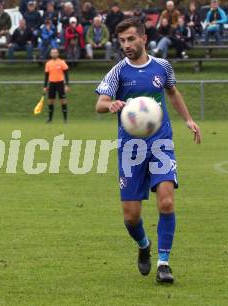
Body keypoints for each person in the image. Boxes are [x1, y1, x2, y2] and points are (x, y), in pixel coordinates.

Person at [95, 18, 201, 284]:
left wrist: (188, 119)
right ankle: (144, 245)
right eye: (122, 41)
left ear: (143, 38)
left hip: (161, 142)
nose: (126, 45)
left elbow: (173, 93)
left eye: (131, 39)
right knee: (131, 216)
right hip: (131, 147)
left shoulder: (162, 66)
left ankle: (164, 263)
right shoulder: (118, 71)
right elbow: (100, 102)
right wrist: (111, 105)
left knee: (166, 201)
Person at [44, 48, 69, 123]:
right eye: (52, 53)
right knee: (50, 101)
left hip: (60, 83)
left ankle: (65, 119)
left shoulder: (62, 62)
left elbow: (66, 74)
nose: (54, 54)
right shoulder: (48, 63)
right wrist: (45, 86)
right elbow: (46, 76)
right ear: (50, 54)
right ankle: (50, 119)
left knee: (63, 101)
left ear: (58, 54)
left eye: (55, 53)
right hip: (52, 84)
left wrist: (66, 85)